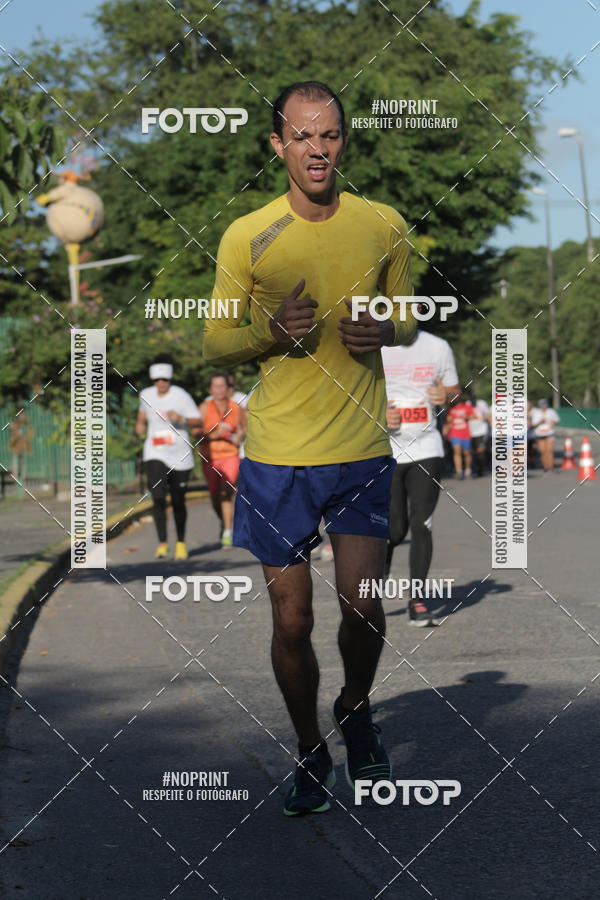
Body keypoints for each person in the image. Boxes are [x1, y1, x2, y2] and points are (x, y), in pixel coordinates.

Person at [203, 81, 416, 816]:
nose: (316, 148)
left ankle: (355, 710)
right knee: (291, 620)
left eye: (328, 135)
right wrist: (268, 334)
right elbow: (215, 341)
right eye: (301, 136)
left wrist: (388, 330)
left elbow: (409, 316)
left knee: (363, 606)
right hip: (277, 458)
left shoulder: (383, 224)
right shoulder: (246, 235)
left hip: (361, 447)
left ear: (343, 141)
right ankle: (308, 749)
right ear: (278, 145)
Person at [382, 330, 460, 625]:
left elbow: (454, 392)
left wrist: (447, 397)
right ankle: (377, 582)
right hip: (387, 450)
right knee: (395, 529)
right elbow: (353, 393)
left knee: (422, 524)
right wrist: (376, 413)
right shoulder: (375, 344)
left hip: (427, 448)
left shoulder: (438, 346)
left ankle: (417, 600)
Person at [135, 355, 201, 560]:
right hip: (155, 451)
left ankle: (180, 542)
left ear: (170, 378)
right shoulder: (145, 394)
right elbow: (142, 414)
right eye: (157, 380)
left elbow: (198, 421)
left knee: (178, 500)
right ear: (152, 379)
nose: (161, 383)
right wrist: (140, 424)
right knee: (157, 496)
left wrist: (180, 418)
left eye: (164, 379)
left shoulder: (181, 396)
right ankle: (162, 542)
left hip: (179, 455)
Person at [197, 372, 244, 548]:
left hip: (231, 456)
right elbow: (196, 434)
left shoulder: (236, 408)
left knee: (226, 492)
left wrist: (239, 437)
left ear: (228, 388)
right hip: (210, 457)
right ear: (211, 389)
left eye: (223, 386)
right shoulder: (204, 408)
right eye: (216, 386)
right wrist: (213, 435)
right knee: (215, 496)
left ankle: (227, 533)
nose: (220, 390)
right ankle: (225, 522)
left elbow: (244, 429)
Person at [444, 392, 475, 478]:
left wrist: (466, 417)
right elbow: (448, 422)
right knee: (457, 451)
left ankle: (468, 470)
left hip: (465, 433)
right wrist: (446, 427)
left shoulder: (466, 406)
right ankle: (459, 472)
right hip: (454, 433)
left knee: (466, 453)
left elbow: (474, 416)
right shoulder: (450, 408)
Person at [530, 399, 559, 472]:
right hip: (540, 434)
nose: (543, 406)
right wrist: (541, 421)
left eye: (544, 405)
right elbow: (534, 425)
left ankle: (551, 466)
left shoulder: (551, 412)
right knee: (543, 451)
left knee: (549, 450)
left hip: (549, 433)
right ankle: (545, 466)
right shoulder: (537, 413)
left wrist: (551, 426)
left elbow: (556, 420)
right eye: (542, 405)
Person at [469, 394, 491, 477]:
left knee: (480, 450)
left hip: (482, 431)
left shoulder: (482, 403)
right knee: (474, 452)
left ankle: (480, 469)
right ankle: (477, 467)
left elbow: (488, 414)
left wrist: (485, 417)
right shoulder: (467, 404)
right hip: (471, 432)